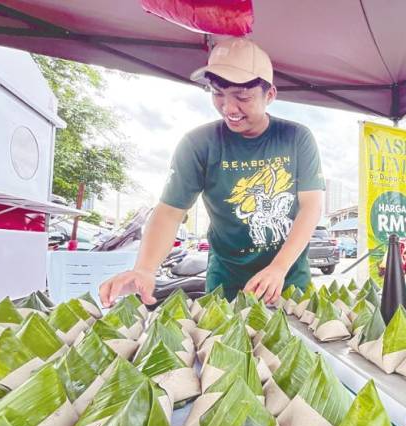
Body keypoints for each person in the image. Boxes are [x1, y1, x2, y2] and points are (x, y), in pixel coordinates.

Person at [99, 38, 324, 306]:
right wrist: (145, 269)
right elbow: (170, 211)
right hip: (226, 281)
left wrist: (279, 268)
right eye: (217, 93)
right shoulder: (199, 144)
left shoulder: (296, 137)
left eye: (242, 97)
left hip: (287, 277)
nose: (229, 108)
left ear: (270, 95)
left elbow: (310, 206)